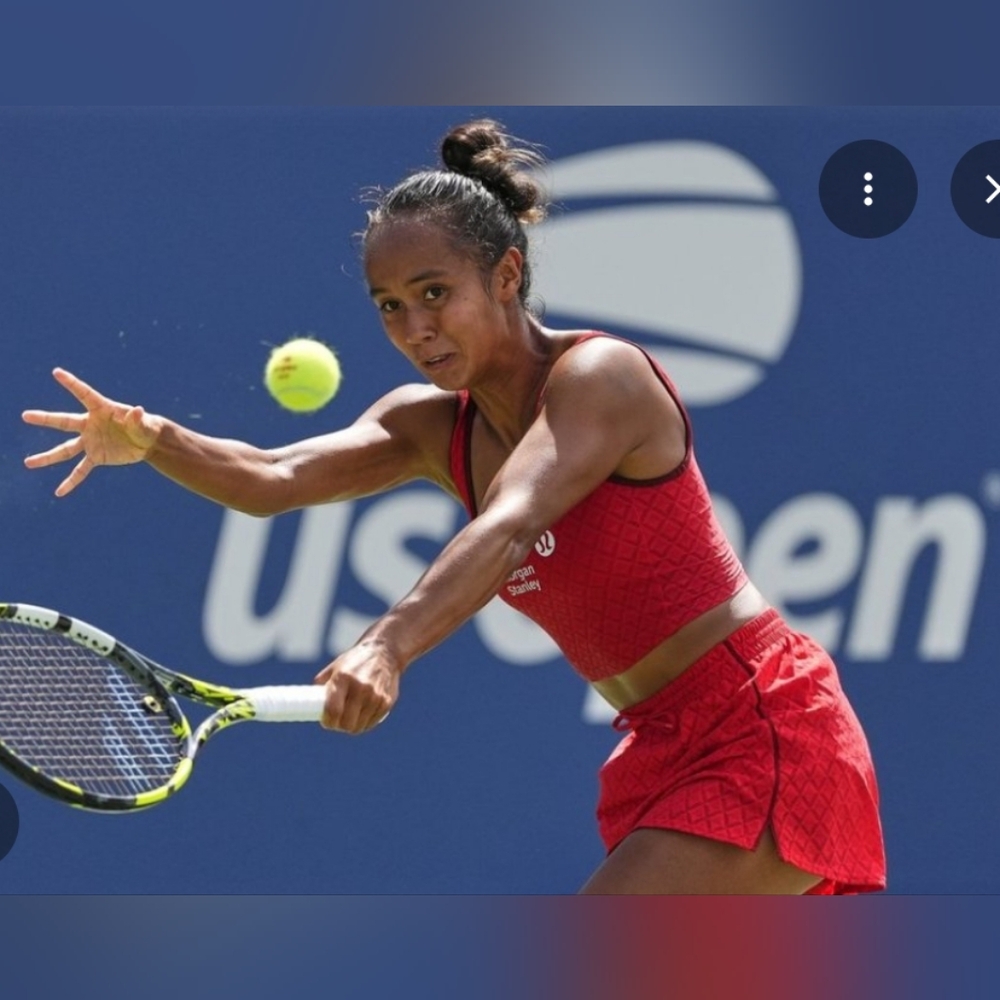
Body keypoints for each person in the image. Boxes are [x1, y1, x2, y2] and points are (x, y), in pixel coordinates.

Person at [21, 119, 885, 894]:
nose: (414, 328)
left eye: (435, 293)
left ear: (506, 275)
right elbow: (271, 477)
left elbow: (510, 524)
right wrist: (153, 437)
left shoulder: (600, 377)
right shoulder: (429, 425)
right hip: (656, 743)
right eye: (391, 307)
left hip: (760, 721)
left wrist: (386, 646)